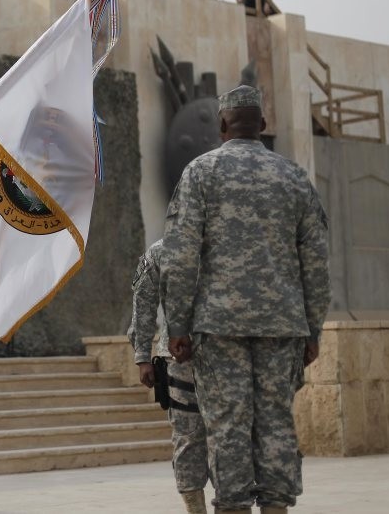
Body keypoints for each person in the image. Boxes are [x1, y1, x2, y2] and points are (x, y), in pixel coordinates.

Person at [162, 85, 330, 514]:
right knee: (276, 422)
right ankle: (276, 507)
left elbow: (180, 255)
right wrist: (313, 330)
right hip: (282, 327)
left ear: (222, 125)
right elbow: (316, 263)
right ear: (263, 125)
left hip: (218, 327)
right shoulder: (294, 178)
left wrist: (177, 325)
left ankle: (233, 505)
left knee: (227, 425)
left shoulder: (200, 173)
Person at [127, 240, 209, 514]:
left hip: (230, 357)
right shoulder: (160, 250)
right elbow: (143, 302)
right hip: (179, 361)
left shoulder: (230, 241)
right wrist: (142, 356)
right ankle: (195, 509)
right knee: (188, 436)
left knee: (232, 437)